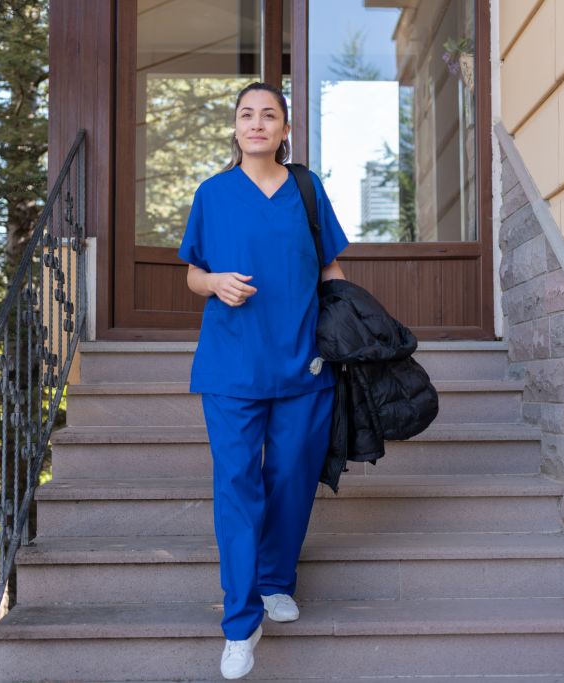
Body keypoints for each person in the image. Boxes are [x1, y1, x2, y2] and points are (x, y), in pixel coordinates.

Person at [176, 81, 350, 679]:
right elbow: (193, 274)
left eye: (268, 115)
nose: (256, 123)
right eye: (246, 114)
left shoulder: (307, 188)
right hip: (232, 366)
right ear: (235, 127)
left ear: (284, 129)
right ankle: (240, 621)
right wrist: (215, 282)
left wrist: (344, 330)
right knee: (237, 486)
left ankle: (277, 579)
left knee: (294, 477)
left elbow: (330, 266)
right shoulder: (213, 193)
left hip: (304, 361)